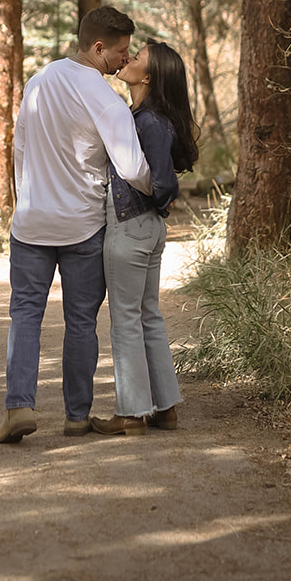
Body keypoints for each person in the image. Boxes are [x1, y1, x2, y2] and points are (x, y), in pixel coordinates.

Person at [0, 5, 153, 444]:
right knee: (81, 320)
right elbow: (133, 166)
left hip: (31, 223)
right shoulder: (106, 99)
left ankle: (19, 407)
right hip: (84, 224)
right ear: (98, 47)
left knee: (25, 313)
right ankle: (76, 416)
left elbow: (20, 151)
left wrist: (27, 199)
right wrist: (160, 187)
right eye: (120, 52)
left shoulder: (40, 81)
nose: (125, 61)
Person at [90, 39, 199, 436]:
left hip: (131, 225)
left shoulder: (149, 121)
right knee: (148, 316)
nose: (129, 59)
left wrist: (161, 198)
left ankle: (131, 413)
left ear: (148, 77)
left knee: (126, 320)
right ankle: (165, 408)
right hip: (147, 228)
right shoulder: (145, 116)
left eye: (137, 58)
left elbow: (163, 181)